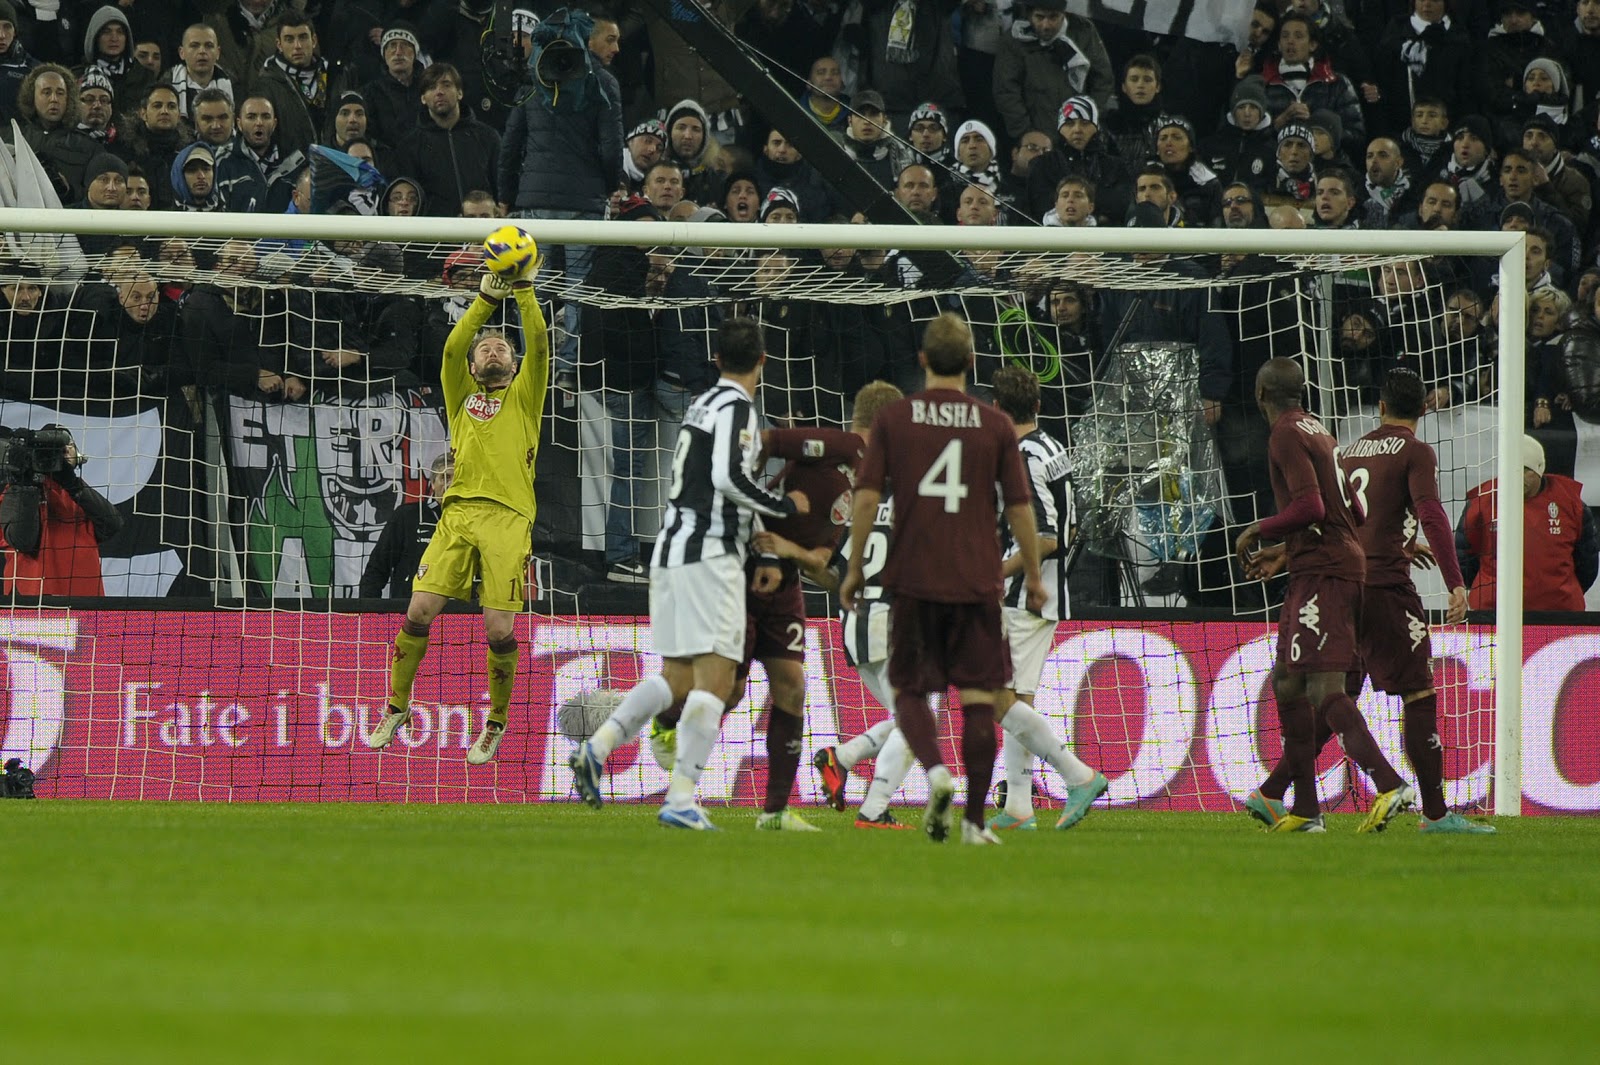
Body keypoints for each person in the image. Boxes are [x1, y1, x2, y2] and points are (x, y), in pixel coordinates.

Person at [569, 317, 809, 830]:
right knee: (715, 681)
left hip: (671, 548)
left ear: (716, 360)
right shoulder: (737, 407)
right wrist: (783, 506)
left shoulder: (702, 403)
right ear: (763, 361)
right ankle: (680, 798)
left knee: (677, 677)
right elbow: (728, 476)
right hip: (709, 555)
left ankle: (597, 747)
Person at [1248, 369, 1491, 834]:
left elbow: (1349, 516)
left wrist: (1284, 551)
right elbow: (1430, 512)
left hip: (1346, 583)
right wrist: (1456, 582)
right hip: (1385, 587)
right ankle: (1435, 814)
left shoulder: (1352, 448)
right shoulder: (1415, 451)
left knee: (1334, 692)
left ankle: (1277, 790)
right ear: (1424, 408)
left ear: (1380, 407)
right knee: (1417, 691)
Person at [840, 313, 1045, 846]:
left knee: (911, 692)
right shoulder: (995, 425)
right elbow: (1020, 507)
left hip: (914, 580)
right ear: (972, 361)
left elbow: (866, 496)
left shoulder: (895, 420)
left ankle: (935, 772)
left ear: (923, 359)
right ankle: (975, 822)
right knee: (979, 700)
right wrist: (1034, 574)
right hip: (977, 580)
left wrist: (856, 565)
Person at [366, 240, 550, 767]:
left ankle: (496, 722)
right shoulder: (461, 397)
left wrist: (523, 289)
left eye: (502, 349)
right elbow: (451, 351)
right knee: (418, 610)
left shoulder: (525, 396)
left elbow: (539, 344)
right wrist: (485, 301)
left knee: (498, 628)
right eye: (484, 348)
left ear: (514, 364)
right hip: (457, 514)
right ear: (472, 366)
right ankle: (396, 706)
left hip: (508, 518)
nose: (493, 351)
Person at [1235, 358, 1418, 834]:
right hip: (1327, 565)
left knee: (1321, 687)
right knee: (1288, 680)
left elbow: (1311, 506)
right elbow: (1354, 510)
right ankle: (1304, 808)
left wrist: (1258, 529)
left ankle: (1389, 783)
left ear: (1260, 394)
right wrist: (1285, 550)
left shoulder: (1283, 433)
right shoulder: (1321, 431)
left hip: (1325, 572)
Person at [985, 365, 1107, 831]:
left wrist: (996, 572)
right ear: (1037, 406)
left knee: (998, 699)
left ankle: (1078, 776)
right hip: (1049, 592)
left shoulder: (1022, 457)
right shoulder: (1054, 449)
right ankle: (1019, 806)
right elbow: (1070, 528)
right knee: (1018, 701)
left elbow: (1047, 536)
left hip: (1024, 594)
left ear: (997, 409)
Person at [1456, 435, 1598, 612]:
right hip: (1493, 612)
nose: (1516, 476)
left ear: (1539, 469)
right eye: (1511, 468)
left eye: (1525, 470)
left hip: (1560, 613)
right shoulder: (1481, 503)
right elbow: (1463, 558)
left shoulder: (1571, 504)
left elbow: (1588, 563)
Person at [0, 425, 123, 596]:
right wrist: (26, 484)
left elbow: (113, 525)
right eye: (53, 449)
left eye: (68, 445)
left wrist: (71, 483)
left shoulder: (80, 495)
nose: (64, 450)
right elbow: (23, 541)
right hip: (33, 604)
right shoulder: (13, 492)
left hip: (84, 601)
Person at [359, 453, 453, 599]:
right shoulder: (407, 516)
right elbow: (377, 569)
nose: (451, 484)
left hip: (461, 610)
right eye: (445, 477)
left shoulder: (474, 521)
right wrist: (369, 610)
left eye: (458, 479)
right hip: (409, 607)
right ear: (433, 483)